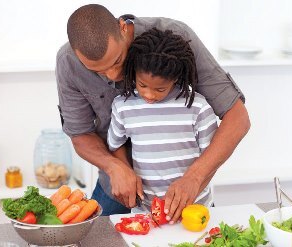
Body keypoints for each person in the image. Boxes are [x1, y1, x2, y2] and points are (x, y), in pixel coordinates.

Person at [56, 4, 250, 222]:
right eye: (97, 71)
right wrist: (114, 166)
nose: (113, 74)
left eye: (118, 60)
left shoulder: (175, 38)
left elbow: (238, 118)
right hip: (116, 190)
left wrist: (194, 178)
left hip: (186, 194)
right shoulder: (68, 62)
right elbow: (80, 135)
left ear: (122, 28)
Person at [107, 28, 218, 213]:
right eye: (142, 85)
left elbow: (212, 158)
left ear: (175, 79)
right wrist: (126, 173)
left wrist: (193, 187)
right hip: (146, 212)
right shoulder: (123, 106)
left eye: (160, 89)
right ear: (133, 72)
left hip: (195, 209)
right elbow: (115, 145)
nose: (149, 95)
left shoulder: (197, 107)